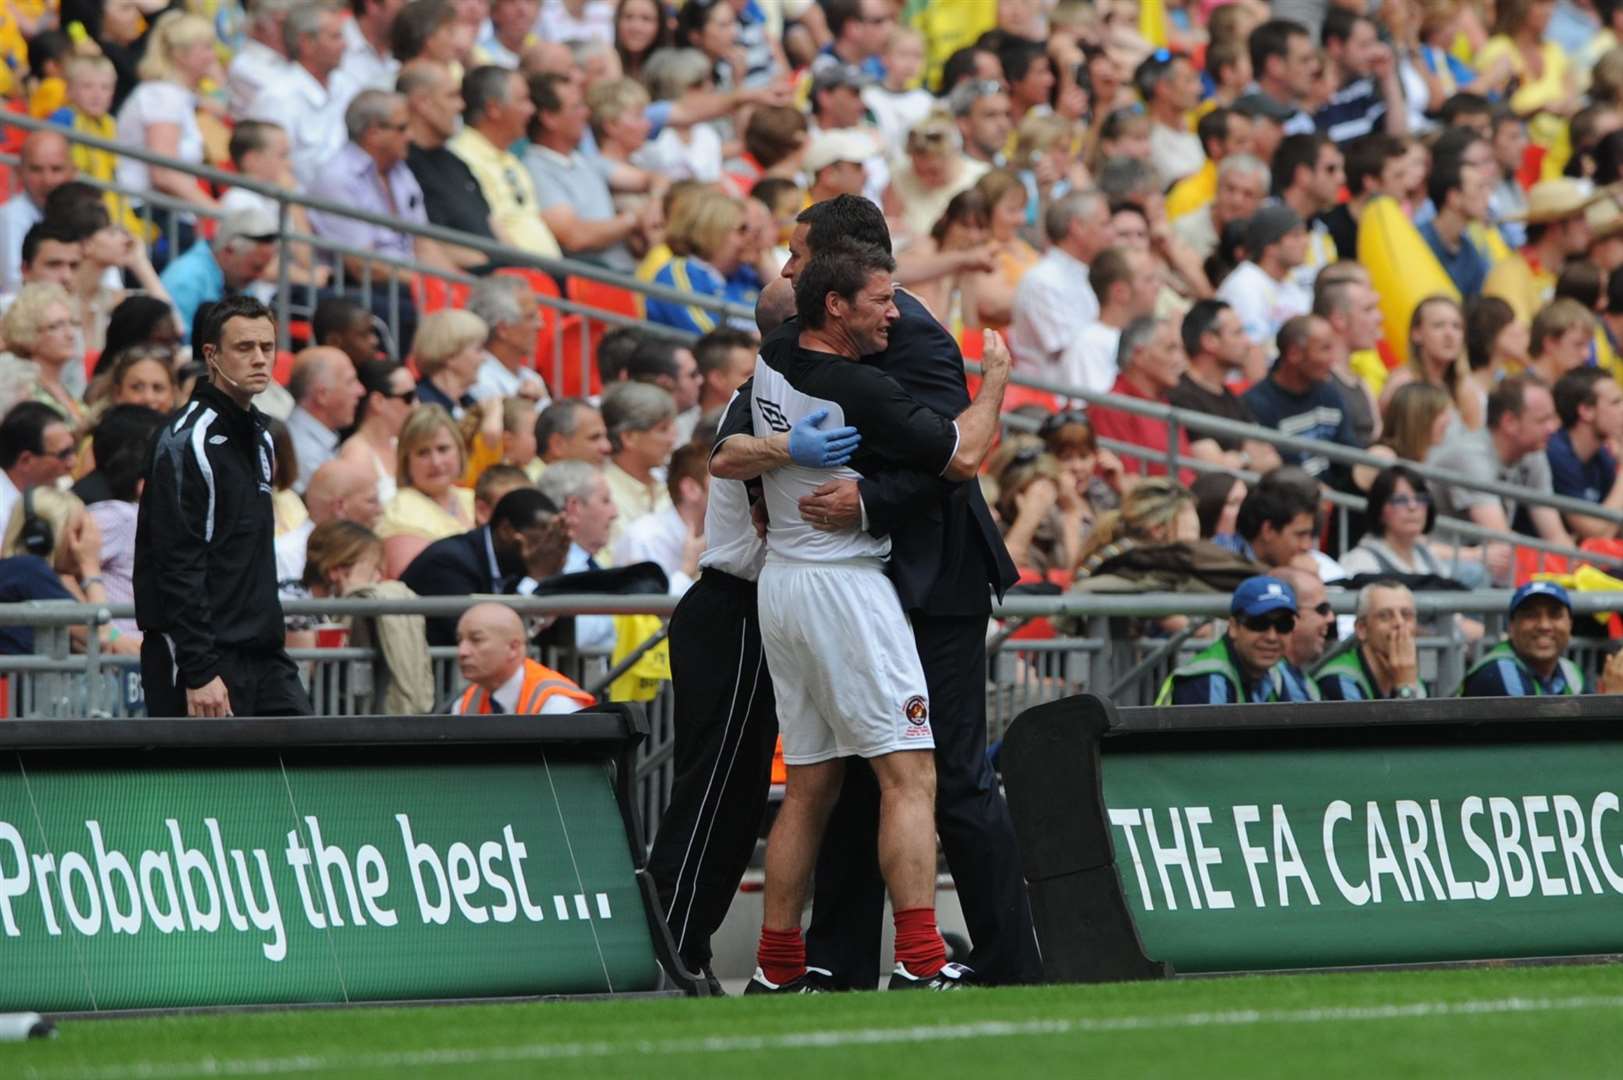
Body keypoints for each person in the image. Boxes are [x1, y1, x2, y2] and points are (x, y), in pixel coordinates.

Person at [713, 236, 1010, 993]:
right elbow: (963, 455)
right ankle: (921, 959)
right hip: (845, 587)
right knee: (910, 775)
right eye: (882, 300)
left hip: (781, 583)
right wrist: (996, 382)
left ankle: (777, 967)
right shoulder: (862, 390)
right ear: (836, 306)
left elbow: (720, 457)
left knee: (810, 786)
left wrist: (780, 446)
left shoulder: (776, 354)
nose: (896, 313)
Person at [135, 296, 311, 719]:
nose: (259, 359)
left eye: (267, 348)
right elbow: (176, 561)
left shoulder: (263, 438)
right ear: (211, 355)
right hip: (202, 659)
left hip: (265, 655)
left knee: (311, 769)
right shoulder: (186, 441)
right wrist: (198, 669)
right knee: (203, 786)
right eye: (244, 348)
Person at [402, 486, 565, 645]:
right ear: (506, 530)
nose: (546, 550)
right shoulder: (449, 563)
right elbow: (485, 638)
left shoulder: (516, 565)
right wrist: (537, 578)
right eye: (541, 540)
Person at [1430, 374, 1572, 553]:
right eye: (1543, 420)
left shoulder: (1533, 453)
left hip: (1484, 561)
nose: (1554, 427)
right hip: (1444, 560)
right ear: (1509, 422)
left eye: (1553, 418)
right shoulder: (1470, 456)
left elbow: (1555, 536)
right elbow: (1500, 539)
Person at [450, 65, 562, 259]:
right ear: (493, 109)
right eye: (523, 100)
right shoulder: (462, 158)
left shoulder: (510, 158)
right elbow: (490, 229)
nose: (531, 109)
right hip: (517, 278)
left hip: (547, 274)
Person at [246, 2, 361, 190]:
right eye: (335, 37)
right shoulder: (278, 97)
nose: (345, 45)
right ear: (307, 43)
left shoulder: (347, 84)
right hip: (306, 207)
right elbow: (273, 173)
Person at [1009, 189, 1112, 380]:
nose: (1111, 234)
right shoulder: (1043, 281)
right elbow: (1073, 353)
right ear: (1078, 227)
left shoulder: (1090, 273)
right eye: (1104, 224)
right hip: (1051, 396)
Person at [1243, 316, 1360, 480]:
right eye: (1325, 349)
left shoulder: (1329, 394)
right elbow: (1279, 475)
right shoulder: (1257, 403)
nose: (1332, 359)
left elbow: (1349, 453)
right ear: (1294, 353)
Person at [1169, 300, 1281, 470]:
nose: (1248, 342)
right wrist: (1247, 456)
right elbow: (1214, 467)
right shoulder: (1183, 396)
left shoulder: (1230, 396)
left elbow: (1272, 460)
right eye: (1238, 333)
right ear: (1209, 341)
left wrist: (1238, 460)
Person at [1156, 575, 1300, 704]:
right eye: (1259, 623)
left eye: (1284, 625)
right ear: (1233, 627)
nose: (1271, 637)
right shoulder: (1204, 679)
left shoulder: (1282, 671)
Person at [376, 404, 478, 576]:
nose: (436, 462)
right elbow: (415, 584)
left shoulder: (473, 498)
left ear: (460, 451)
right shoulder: (400, 509)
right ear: (406, 461)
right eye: (423, 453)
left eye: (443, 449)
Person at [1484, 179, 1598, 326]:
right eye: (1579, 218)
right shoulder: (1509, 275)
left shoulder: (1560, 274)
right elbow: (1516, 342)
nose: (1588, 227)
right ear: (1554, 226)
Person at [451, 600, 595, 714]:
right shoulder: (466, 703)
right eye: (459, 640)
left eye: (476, 640)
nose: (462, 651)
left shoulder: (556, 704)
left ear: (513, 647)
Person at [535, 459, 620, 649]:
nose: (615, 513)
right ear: (574, 507)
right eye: (605, 500)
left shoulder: (589, 563)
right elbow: (578, 636)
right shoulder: (554, 567)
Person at [158, 209, 279, 342]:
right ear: (228, 252)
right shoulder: (186, 278)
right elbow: (177, 342)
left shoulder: (237, 281)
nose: (260, 275)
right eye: (256, 267)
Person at [1459, 582, 1595, 696]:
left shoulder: (1571, 673)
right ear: (1511, 626)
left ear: (1570, 624)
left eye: (1555, 615)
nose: (1544, 625)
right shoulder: (1498, 672)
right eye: (1531, 615)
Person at [1059, 247, 1159, 398]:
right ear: (1120, 292)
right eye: (1148, 280)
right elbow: (1096, 411)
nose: (1158, 286)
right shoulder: (1088, 345)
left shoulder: (1152, 335)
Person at [612, 441, 706, 594]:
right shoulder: (643, 539)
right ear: (691, 489)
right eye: (721, 483)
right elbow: (644, 612)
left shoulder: (725, 535)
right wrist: (687, 569)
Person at [273, 457, 384, 583]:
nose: (380, 510)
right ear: (340, 507)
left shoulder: (368, 552)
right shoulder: (284, 555)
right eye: (372, 501)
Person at [1216, 205, 1312, 349]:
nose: (1305, 242)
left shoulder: (1291, 285)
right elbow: (1252, 349)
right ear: (1270, 246)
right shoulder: (1244, 286)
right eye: (1296, 236)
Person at [1314, 581, 1427, 700]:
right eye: (1385, 616)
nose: (1399, 622)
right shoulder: (1338, 680)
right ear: (1362, 628)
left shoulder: (1409, 673)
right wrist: (1406, 688)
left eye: (1406, 615)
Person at [1549, 368, 1623, 539]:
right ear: (1586, 411)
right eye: (1615, 403)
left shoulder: (1601, 457)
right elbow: (1597, 532)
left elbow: (1614, 526)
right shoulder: (1556, 454)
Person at [600, 380, 676, 542]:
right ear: (628, 437)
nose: (672, 438)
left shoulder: (666, 486)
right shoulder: (603, 491)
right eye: (663, 429)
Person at [1, 130, 73, 297]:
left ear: (72, 172)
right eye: (36, 169)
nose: (47, 180)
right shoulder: (9, 217)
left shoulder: (83, 215)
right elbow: (14, 284)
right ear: (20, 172)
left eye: (56, 169)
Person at [285, 347, 365, 492]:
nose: (361, 390)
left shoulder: (313, 442)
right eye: (351, 382)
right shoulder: (304, 453)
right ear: (322, 395)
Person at [338, 359, 416, 505]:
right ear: (378, 401)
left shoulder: (401, 445)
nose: (416, 405)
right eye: (409, 397)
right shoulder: (356, 455)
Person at [466, 275, 549, 402]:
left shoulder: (532, 378)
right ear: (503, 329)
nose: (540, 325)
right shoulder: (478, 378)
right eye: (530, 317)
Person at [1272, 564, 1331, 701]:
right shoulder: (1267, 674)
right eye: (1322, 609)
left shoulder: (1300, 678)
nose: (1330, 618)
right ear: (1290, 616)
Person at [535, 398, 611, 467]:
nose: (607, 447)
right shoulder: (529, 482)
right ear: (557, 445)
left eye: (605, 436)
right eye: (594, 438)